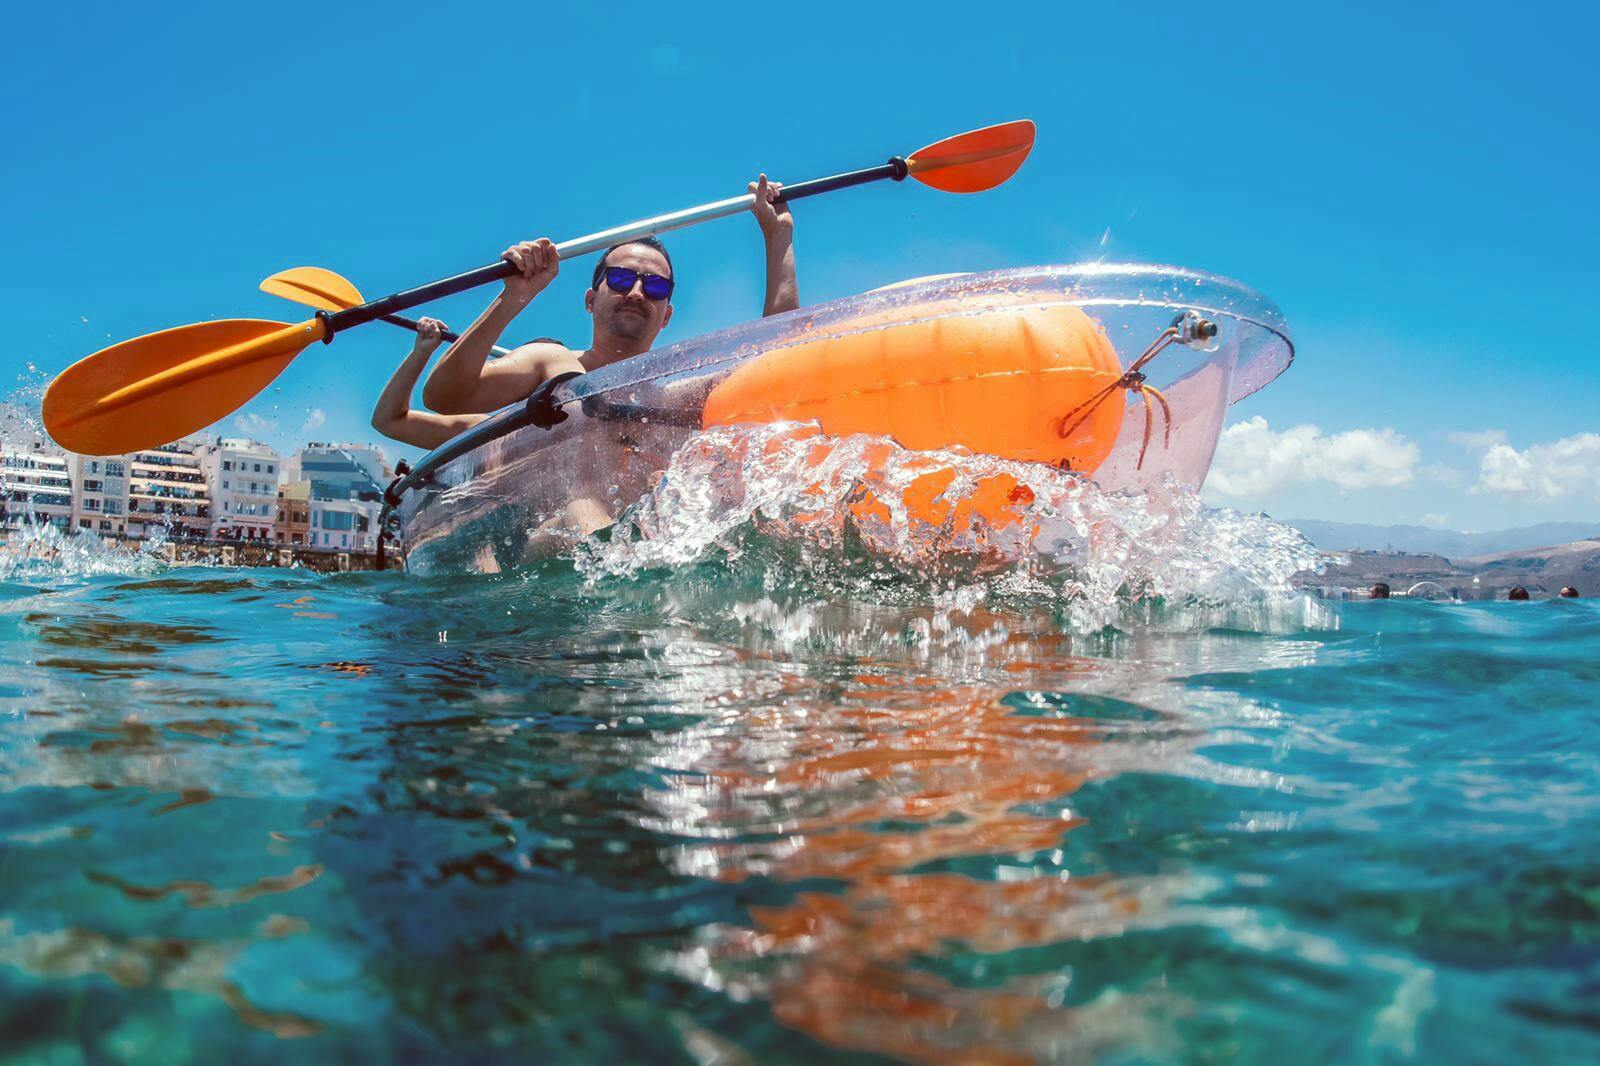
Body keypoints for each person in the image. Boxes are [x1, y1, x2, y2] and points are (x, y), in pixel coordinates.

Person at [424, 175, 798, 415]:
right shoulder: (551, 364)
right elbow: (445, 398)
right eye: (620, 280)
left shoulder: (673, 396)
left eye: (655, 287)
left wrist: (778, 239)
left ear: (666, 315)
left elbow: (776, 366)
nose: (636, 292)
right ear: (590, 300)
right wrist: (513, 298)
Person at [370, 318, 486, 449]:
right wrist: (421, 352)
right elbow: (387, 421)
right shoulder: (491, 428)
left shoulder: (497, 429)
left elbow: (387, 421)